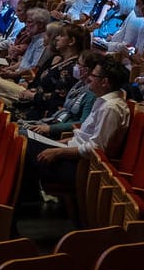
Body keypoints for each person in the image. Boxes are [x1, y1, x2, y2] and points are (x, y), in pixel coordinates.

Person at [29, 59, 132, 192]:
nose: (89, 78)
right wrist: (56, 143)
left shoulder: (111, 108)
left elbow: (96, 149)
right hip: (70, 152)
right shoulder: (102, 100)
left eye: (93, 76)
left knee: (24, 145)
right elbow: (83, 136)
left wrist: (58, 151)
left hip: (80, 165)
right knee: (25, 138)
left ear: (105, 82)